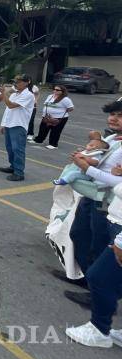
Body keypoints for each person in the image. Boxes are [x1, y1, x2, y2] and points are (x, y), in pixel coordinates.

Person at [62, 101, 122, 307]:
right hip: (92, 197)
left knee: (100, 248)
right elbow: (101, 160)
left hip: (106, 204)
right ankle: (88, 279)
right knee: (79, 235)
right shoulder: (113, 138)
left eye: (119, 116)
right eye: (112, 114)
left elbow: (118, 182)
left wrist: (85, 167)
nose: (113, 118)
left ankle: (99, 295)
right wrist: (88, 152)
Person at [0, 75, 35, 181]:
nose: (16, 84)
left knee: (18, 149)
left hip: (18, 125)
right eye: (15, 82)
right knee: (10, 148)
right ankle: (13, 166)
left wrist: (4, 93)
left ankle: (19, 172)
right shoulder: (15, 94)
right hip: (10, 124)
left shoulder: (28, 95)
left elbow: (11, 105)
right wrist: (3, 124)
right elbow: (8, 110)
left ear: (27, 82)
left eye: (18, 82)